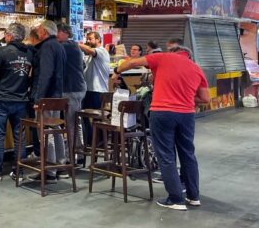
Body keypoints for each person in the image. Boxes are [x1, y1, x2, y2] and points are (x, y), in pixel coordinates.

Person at [114, 45, 209, 211]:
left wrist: (117, 69)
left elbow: (132, 63)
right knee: (188, 154)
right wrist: (183, 97)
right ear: (188, 55)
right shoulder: (196, 68)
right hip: (186, 115)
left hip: (163, 112)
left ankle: (176, 199)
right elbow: (205, 98)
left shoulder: (163, 57)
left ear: (173, 52)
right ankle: (193, 196)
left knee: (166, 155)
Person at [0, 23, 33, 182]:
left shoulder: (3, 51)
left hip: (2, 100)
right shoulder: (29, 53)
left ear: (9, 36)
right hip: (21, 100)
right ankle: (18, 172)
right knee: (20, 137)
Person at [29, 20, 66, 182]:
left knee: (45, 132)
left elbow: (45, 74)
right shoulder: (58, 46)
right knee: (56, 129)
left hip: (47, 96)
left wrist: (39, 98)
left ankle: (49, 170)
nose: (37, 31)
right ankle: (60, 165)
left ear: (44, 31)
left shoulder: (47, 47)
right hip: (57, 95)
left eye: (39, 29)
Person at [57, 22, 86, 163]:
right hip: (77, 87)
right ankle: (78, 154)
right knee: (75, 122)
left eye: (58, 32)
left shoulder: (66, 45)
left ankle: (70, 157)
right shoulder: (74, 45)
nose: (56, 35)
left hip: (72, 89)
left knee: (71, 123)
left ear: (66, 33)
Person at [79, 31, 110, 145]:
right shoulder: (89, 57)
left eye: (90, 39)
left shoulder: (101, 51)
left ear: (98, 40)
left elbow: (89, 50)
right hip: (89, 90)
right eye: (87, 39)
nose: (88, 41)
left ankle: (100, 142)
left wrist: (75, 44)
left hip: (98, 91)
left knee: (97, 118)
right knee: (84, 116)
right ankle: (91, 140)